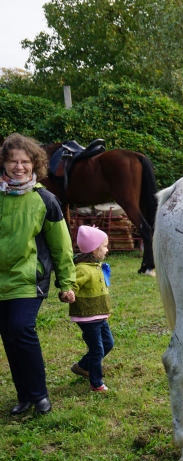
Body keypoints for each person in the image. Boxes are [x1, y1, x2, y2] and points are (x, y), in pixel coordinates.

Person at [0, 133, 76, 416]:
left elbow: (61, 246)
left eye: (25, 161)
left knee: (21, 328)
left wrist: (66, 282)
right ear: (4, 163)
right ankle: (24, 396)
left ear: (35, 164)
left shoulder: (45, 199)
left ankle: (40, 394)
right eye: (12, 161)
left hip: (28, 279)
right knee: (9, 335)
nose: (19, 167)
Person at [69, 225, 114, 393]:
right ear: (94, 249)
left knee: (108, 343)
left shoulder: (96, 266)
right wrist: (69, 293)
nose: (107, 250)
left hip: (98, 315)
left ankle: (82, 366)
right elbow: (72, 285)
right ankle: (96, 383)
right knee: (97, 350)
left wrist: (105, 311)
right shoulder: (82, 269)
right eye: (105, 246)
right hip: (87, 317)